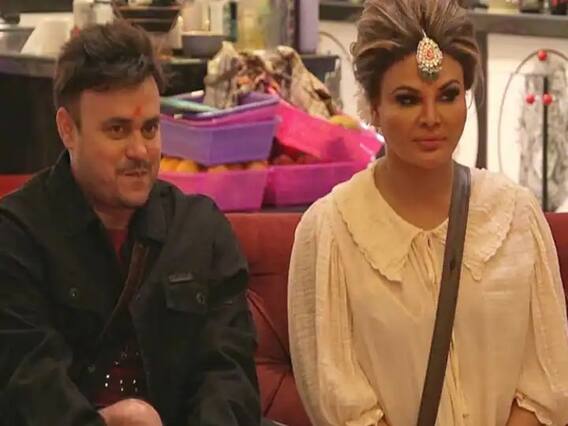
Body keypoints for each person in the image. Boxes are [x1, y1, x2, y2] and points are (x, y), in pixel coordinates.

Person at [288, 1, 568, 425]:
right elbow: (339, 400)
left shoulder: (516, 216)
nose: (432, 118)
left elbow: (547, 382)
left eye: (449, 95)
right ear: (373, 107)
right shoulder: (330, 231)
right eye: (408, 99)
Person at [0, 21, 260, 426]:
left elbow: (229, 376)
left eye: (150, 128)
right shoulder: (16, 236)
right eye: (118, 130)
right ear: (67, 129)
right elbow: (29, 385)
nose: (140, 151)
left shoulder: (200, 229)